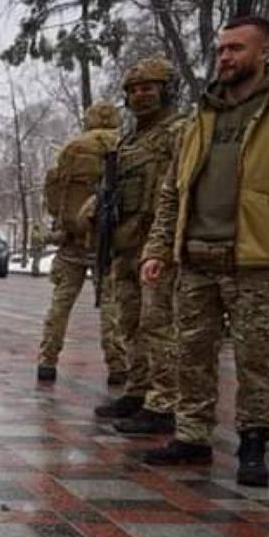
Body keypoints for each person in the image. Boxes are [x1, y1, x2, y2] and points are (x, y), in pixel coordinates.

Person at [140, 16, 269, 486]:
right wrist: (159, 248)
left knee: (257, 358)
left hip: (254, 261)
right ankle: (192, 436)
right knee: (191, 352)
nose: (225, 57)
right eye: (221, 49)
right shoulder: (202, 116)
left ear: (264, 50)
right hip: (195, 258)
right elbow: (174, 189)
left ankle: (254, 443)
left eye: (236, 48)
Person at [91, 58, 187, 430]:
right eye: (132, 90)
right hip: (125, 243)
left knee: (158, 324)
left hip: (157, 245)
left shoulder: (178, 131)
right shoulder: (129, 140)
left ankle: (164, 401)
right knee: (128, 322)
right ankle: (139, 388)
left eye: (148, 88)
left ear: (166, 90)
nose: (139, 96)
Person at [36, 101, 125, 384]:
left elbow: (54, 193)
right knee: (112, 308)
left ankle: (47, 361)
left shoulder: (71, 149)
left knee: (60, 306)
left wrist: (64, 222)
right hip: (110, 242)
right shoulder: (126, 146)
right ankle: (117, 366)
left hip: (71, 240)